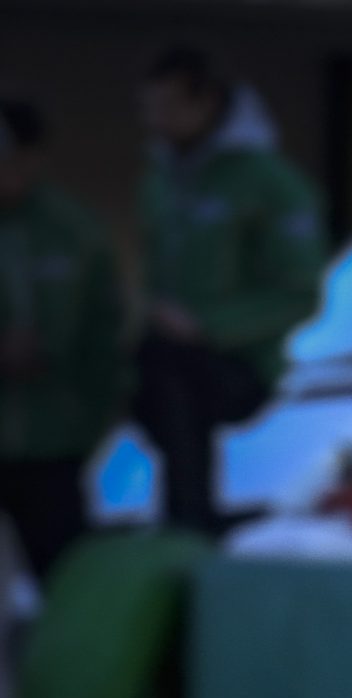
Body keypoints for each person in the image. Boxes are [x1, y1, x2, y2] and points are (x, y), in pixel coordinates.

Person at [130, 45, 323, 535]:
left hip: (244, 364)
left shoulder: (268, 182)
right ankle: (178, 516)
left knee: (171, 370)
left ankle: (191, 519)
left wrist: (208, 327)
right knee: (139, 366)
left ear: (207, 103)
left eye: (169, 107)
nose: (157, 121)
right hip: (169, 355)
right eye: (151, 108)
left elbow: (301, 293)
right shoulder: (163, 180)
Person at [0, 97, 125, 579]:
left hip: (53, 441)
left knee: (65, 578)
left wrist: (91, 424)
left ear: (33, 158)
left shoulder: (74, 232)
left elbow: (104, 337)